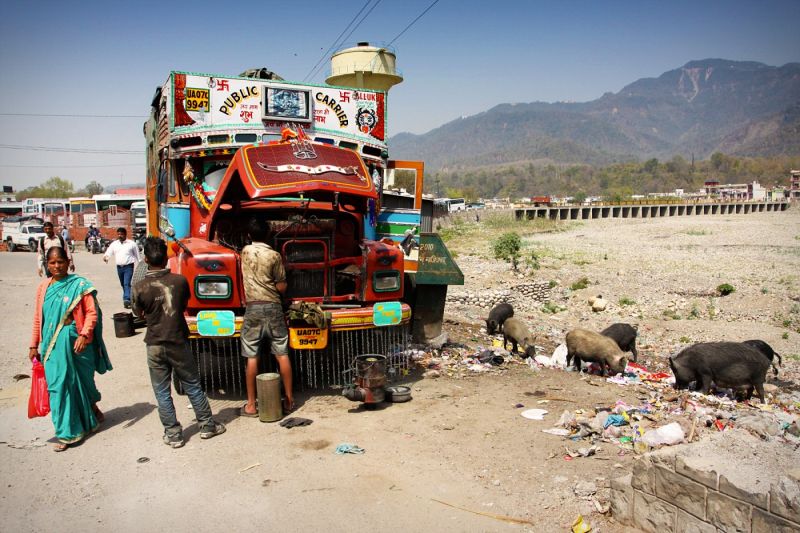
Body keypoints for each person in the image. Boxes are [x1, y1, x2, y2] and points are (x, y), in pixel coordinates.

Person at [131, 237, 225, 448]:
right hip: (178, 340)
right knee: (192, 384)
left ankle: (173, 435)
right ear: (166, 258)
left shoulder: (139, 287)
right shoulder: (179, 281)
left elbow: (137, 314)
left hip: (154, 344)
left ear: (146, 259)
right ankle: (207, 426)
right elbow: (183, 304)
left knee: (162, 391)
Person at [29, 246, 112, 452]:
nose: (56, 266)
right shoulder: (43, 288)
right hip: (52, 345)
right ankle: (67, 433)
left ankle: (90, 409)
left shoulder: (79, 285)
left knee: (84, 383)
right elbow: (39, 318)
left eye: (60, 262)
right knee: (58, 386)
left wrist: (84, 334)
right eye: (52, 263)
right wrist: (33, 344)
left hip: (77, 342)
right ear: (46, 264)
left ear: (68, 261)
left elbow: (92, 313)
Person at [239, 218, 293, 417]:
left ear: (249, 235)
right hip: (274, 308)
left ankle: (252, 405)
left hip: (253, 308)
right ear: (269, 235)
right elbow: (280, 286)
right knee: (282, 354)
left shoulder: (244, 252)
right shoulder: (275, 256)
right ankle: (288, 401)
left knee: (252, 357)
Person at [103, 227, 141, 308]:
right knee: (123, 284)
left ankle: (126, 299)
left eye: (121, 234)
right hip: (119, 267)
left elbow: (138, 255)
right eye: (118, 234)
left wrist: (141, 264)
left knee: (126, 283)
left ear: (125, 234)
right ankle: (129, 298)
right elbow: (109, 252)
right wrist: (106, 257)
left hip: (129, 267)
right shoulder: (114, 244)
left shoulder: (132, 244)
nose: (120, 236)